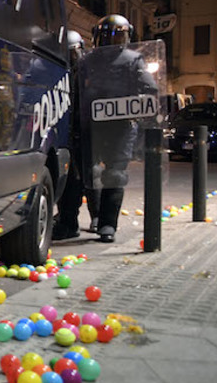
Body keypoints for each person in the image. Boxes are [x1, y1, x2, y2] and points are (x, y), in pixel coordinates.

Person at [77, 14, 158, 243]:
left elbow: (149, 90)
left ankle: (107, 224)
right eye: (108, 36)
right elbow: (77, 92)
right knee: (90, 173)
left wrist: (138, 107)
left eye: (117, 35)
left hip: (120, 128)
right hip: (92, 126)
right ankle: (96, 217)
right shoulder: (87, 60)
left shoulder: (133, 60)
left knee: (114, 174)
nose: (112, 41)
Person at [53, 29, 96, 239]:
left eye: (73, 53)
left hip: (84, 133)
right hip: (67, 134)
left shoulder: (89, 73)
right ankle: (68, 221)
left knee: (87, 181)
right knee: (70, 182)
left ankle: (96, 219)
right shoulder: (60, 72)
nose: (71, 58)